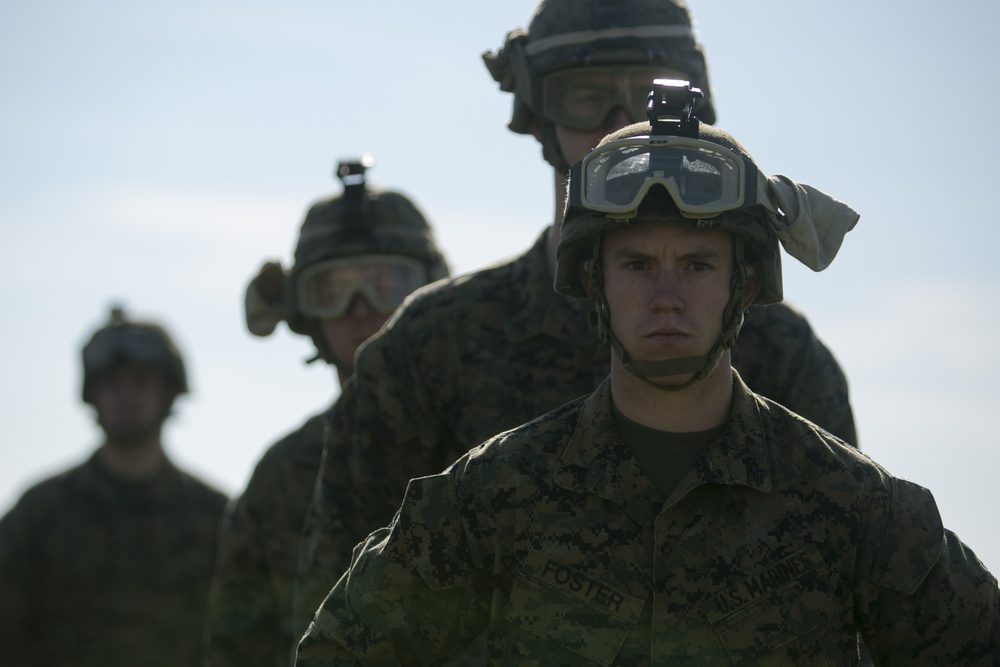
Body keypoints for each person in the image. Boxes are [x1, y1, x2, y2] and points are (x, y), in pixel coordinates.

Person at [296, 81, 1000, 666]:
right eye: (636, 265)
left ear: (745, 284)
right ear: (593, 282)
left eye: (696, 265)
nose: (666, 296)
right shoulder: (497, 494)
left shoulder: (853, 506)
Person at [294, 0, 857, 630]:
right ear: (538, 114)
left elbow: (847, 597)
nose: (623, 121)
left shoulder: (779, 352)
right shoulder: (432, 347)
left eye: (651, 92)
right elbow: (337, 607)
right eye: (585, 95)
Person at [203, 157, 449, 667]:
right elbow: (237, 649)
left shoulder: (489, 441)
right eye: (334, 290)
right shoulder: (282, 474)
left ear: (432, 292)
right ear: (304, 310)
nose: (361, 309)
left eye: (384, 283)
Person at [0, 306, 227, 667]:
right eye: (113, 383)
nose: (126, 395)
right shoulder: (39, 515)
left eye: (141, 381)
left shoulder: (216, 518)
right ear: (93, 394)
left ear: (168, 393)